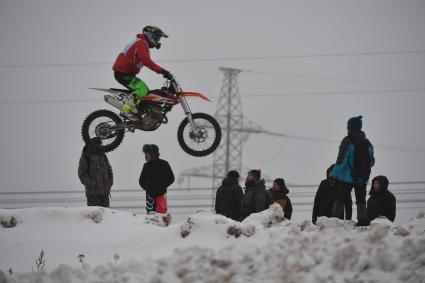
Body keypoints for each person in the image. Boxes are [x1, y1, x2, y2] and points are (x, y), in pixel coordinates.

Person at [112, 26, 174, 120]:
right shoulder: (141, 43)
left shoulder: (141, 42)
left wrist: (155, 45)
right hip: (122, 73)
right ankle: (126, 110)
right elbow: (146, 61)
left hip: (125, 73)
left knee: (145, 91)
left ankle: (138, 111)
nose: (158, 40)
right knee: (143, 89)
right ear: (150, 35)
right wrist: (162, 71)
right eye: (157, 38)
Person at [331, 116, 374, 226]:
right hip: (362, 178)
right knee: (361, 200)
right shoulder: (368, 143)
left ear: (350, 128)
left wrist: (333, 174)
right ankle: (362, 221)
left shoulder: (347, 141)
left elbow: (341, 161)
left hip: (347, 177)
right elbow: (372, 162)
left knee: (341, 198)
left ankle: (334, 220)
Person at [139, 144, 174, 214]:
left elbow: (171, 178)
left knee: (162, 216)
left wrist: (162, 186)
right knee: (150, 217)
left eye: (147, 153)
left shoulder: (164, 164)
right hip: (150, 196)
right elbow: (141, 180)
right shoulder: (146, 166)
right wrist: (147, 187)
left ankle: (163, 225)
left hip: (161, 194)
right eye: (145, 154)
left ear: (153, 153)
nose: (145, 156)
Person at [78, 137, 113, 207]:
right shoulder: (86, 156)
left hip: (105, 193)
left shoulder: (103, 155)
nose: (100, 146)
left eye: (100, 144)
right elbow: (81, 174)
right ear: (93, 145)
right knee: (94, 215)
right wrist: (91, 184)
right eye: (98, 144)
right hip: (93, 195)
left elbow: (109, 169)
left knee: (107, 216)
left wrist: (110, 182)